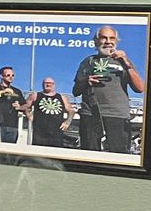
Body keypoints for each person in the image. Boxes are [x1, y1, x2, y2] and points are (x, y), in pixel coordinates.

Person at [73, 26, 146, 154]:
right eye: (104, 38)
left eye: (112, 38)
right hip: (91, 114)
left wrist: (127, 64)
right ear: (96, 41)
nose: (108, 41)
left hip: (118, 114)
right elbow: (75, 91)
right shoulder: (88, 61)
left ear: (116, 41)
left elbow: (140, 88)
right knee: (89, 154)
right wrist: (86, 81)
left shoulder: (125, 62)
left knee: (119, 154)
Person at [25, 77, 74, 148]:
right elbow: (25, 106)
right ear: (42, 84)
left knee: (56, 153)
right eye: (46, 83)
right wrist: (28, 115)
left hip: (57, 134)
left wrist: (68, 121)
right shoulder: (35, 95)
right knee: (39, 152)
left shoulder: (62, 97)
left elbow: (71, 110)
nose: (48, 85)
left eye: (51, 83)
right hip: (39, 134)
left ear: (54, 85)